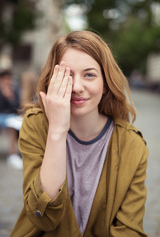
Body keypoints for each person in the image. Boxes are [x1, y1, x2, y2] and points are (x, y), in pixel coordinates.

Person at [11, 30, 149, 237]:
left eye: (89, 75)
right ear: (53, 81)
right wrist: (57, 131)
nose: (76, 87)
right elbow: (43, 217)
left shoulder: (132, 144)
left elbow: (129, 230)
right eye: (66, 75)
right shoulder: (36, 125)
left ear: (105, 83)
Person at [0, 70, 22, 169]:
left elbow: (17, 106)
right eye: (5, 78)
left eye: (8, 78)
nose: (7, 81)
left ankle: (13, 154)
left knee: (13, 124)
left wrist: (10, 97)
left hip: (10, 116)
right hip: (1, 116)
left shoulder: (14, 89)